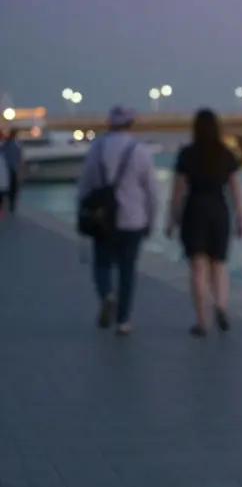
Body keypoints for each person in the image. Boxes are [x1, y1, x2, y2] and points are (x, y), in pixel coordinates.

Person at [76, 106, 158, 335]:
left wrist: (81, 213)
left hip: (103, 219)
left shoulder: (97, 148)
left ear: (109, 123)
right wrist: (151, 219)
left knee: (101, 264)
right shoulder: (140, 151)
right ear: (131, 124)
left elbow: (85, 184)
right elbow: (151, 191)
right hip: (133, 219)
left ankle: (106, 295)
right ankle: (123, 321)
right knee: (127, 269)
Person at [165, 108, 242, 337]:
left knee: (198, 267)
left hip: (195, 210)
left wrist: (171, 219)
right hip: (219, 211)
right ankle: (221, 305)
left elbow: (177, 191)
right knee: (218, 264)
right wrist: (240, 216)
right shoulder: (225, 153)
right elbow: (235, 189)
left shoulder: (187, 154)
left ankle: (202, 322)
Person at [2, 129, 22, 214]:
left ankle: (9, 205)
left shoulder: (6, 144)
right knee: (12, 188)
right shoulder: (14, 145)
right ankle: (11, 206)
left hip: (7, 168)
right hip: (11, 168)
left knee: (9, 187)